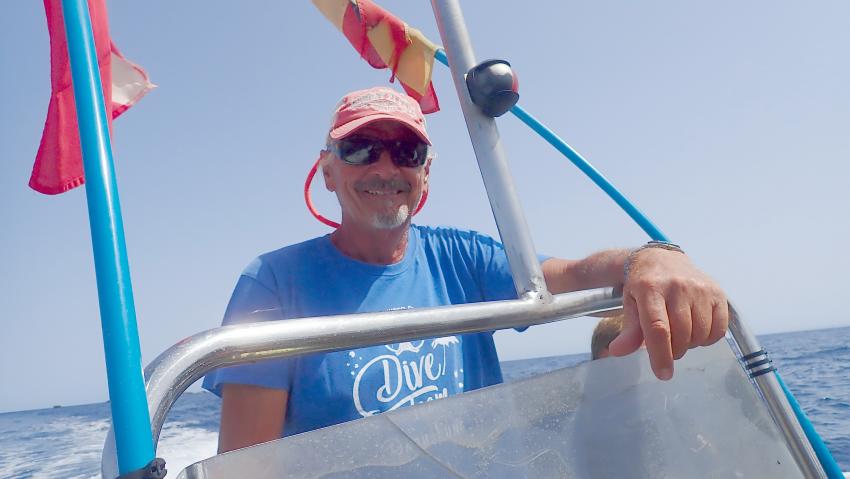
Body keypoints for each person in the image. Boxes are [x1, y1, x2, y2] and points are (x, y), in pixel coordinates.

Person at [202, 86, 729, 453]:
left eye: (405, 150)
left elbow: (569, 274)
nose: (386, 168)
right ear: (327, 172)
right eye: (361, 149)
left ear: (425, 174)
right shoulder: (271, 283)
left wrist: (652, 257)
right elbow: (247, 465)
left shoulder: (463, 258)